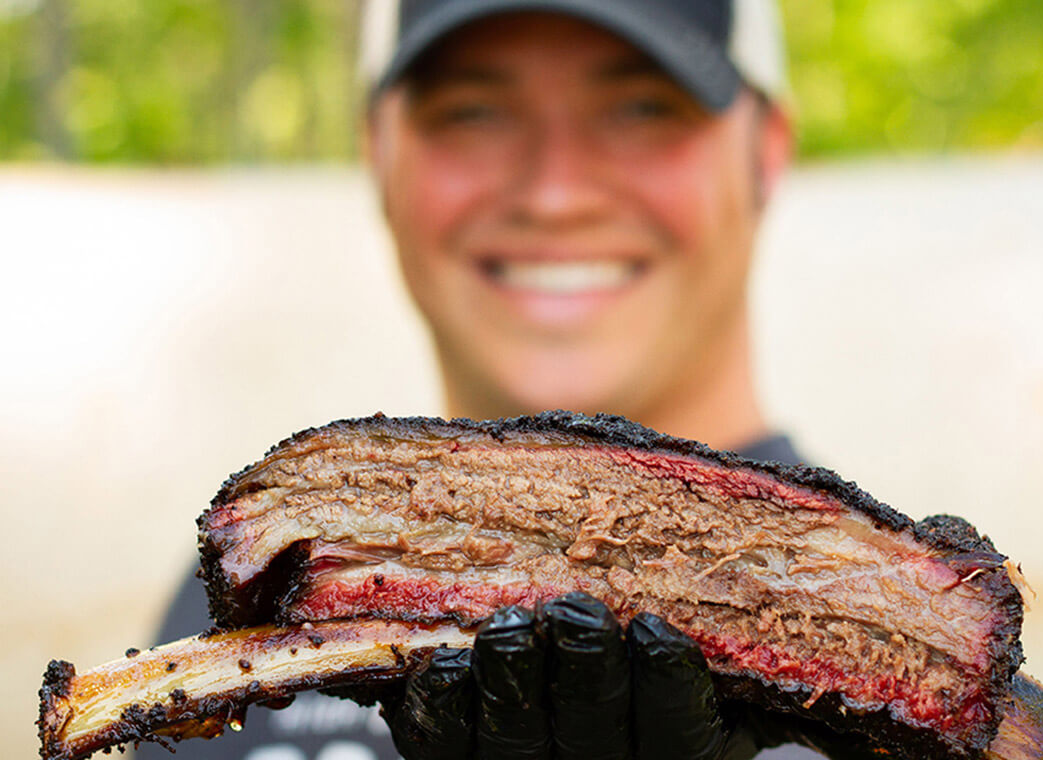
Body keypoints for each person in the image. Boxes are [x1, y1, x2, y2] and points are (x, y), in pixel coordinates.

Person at [136, 2, 820, 758]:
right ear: (377, 153)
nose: (555, 193)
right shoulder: (253, 591)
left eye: (642, 107)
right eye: (472, 112)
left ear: (768, 151)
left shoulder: (905, 642)